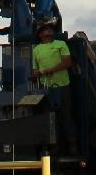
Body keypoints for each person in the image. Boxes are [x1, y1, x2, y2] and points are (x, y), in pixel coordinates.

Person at [31, 20, 75, 154]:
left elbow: (68, 62)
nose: (48, 31)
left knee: (66, 115)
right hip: (47, 88)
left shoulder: (61, 44)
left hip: (63, 85)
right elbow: (35, 69)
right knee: (50, 118)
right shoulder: (36, 49)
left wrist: (50, 70)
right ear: (40, 34)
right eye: (45, 30)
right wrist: (36, 75)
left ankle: (73, 145)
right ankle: (54, 147)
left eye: (50, 29)